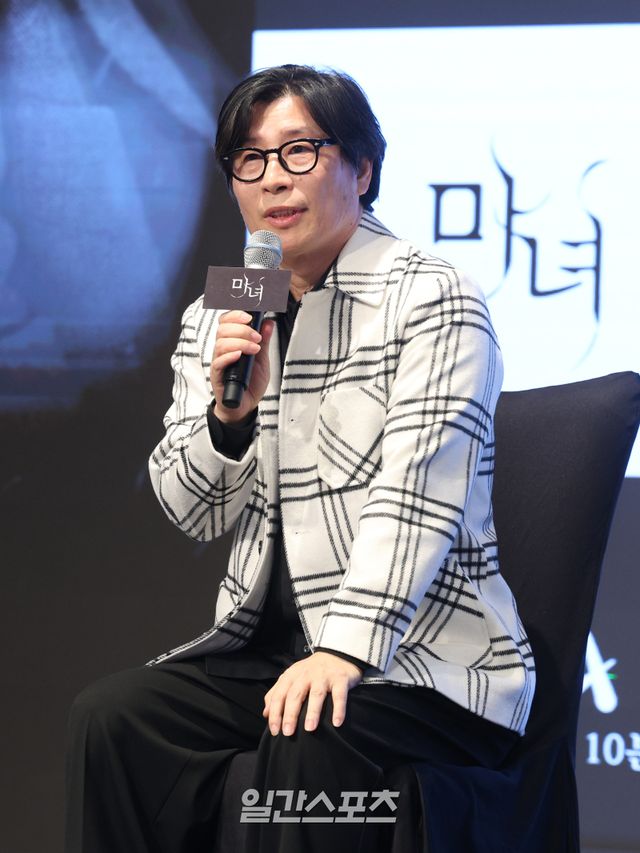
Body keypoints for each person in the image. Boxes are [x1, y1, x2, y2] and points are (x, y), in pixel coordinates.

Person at [65, 64, 535, 853]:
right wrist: (228, 418)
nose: (273, 179)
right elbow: (190, 509)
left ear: (363, 168)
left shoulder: (430, 296)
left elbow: (415, 497)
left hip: (425, 663)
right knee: (113, 718)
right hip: (271, 653)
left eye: (299, 151)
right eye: (250, 159)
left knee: (310, 728)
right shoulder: (223, 309)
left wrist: (344, 649)